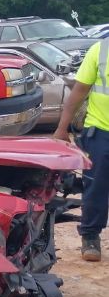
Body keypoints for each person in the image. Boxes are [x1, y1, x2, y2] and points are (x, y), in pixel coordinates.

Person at [54, 39, 109, 261]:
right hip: (101, 130)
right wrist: (61, 128)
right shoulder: (101, 50)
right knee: (95, 186)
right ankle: (90, 237)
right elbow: (79, 91)